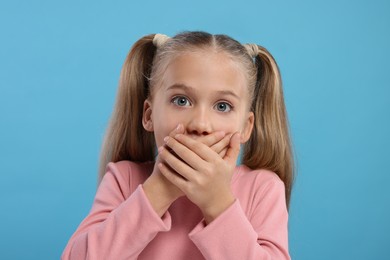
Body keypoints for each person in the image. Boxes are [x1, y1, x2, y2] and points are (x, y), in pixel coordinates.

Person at [61, 31, 294, 259]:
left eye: (222, 106)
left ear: (246, 126)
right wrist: (158, 191)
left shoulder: (262, 188)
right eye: (181, 101)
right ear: (149, 115)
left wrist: (218, 204)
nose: (200, 124)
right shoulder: (124, 179)